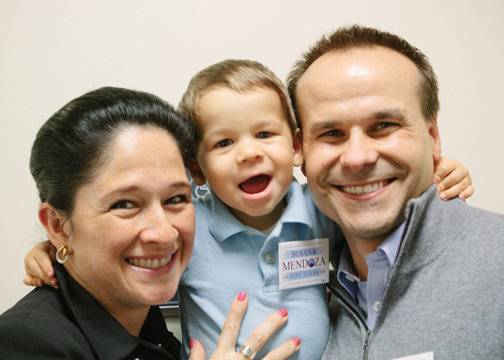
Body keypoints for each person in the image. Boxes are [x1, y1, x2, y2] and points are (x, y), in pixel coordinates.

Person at [24, 60, 472, 360]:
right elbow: (124, 254)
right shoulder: (189, 225)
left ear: (296, 146)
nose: (247, 154)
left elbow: (384, 210)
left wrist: (438, 176)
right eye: (224, 142)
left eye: (264, 134)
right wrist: (52, 251)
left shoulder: (323, 208)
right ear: (197, 170)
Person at [0, 87, 301, 360]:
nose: (164, 233)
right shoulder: (28, 343)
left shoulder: (145, 325)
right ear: (57, 225)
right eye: (125, 204)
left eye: (176, 199)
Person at [286, 25, 504, 359]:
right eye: (331, 132)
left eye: (384, 126)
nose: (357, 158)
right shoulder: (311, 297)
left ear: (432, 137)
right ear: (301, 151)